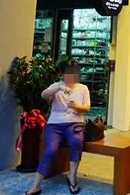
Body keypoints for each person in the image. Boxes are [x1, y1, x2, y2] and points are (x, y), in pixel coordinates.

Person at [26, 59, 90, 195]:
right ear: (62, 73)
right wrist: (58, 87)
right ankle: (36, 185)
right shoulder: (56, 86)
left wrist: (76, 106)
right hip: (55, 125)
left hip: (75, 123)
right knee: (51, 149)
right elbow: (43, 95)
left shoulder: (83, 88)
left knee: (76, 142)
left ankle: (72, 176)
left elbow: (87, 108)